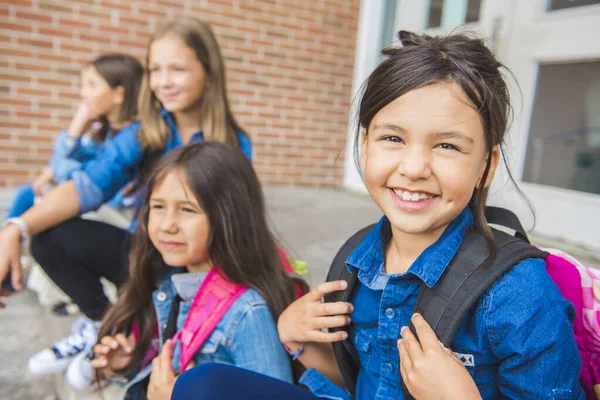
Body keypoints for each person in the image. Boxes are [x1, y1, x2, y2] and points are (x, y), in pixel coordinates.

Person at [171, 31, 584, 399]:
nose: (415, 167)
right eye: (393, 138)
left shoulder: (519, 295)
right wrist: (296, 340)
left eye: (447, 146)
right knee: (202, 384)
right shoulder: (357, 261)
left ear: (487, 166)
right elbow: (361, 381)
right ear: (365, 145)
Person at [0, 17, 252, 378]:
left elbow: (238, 226)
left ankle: (144, 328)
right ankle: (105, 325)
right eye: (154, 69)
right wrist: (15, 227)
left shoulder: (233, 143)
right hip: (145, 253)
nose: (163, 81)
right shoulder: (143, 133)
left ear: (209, 73)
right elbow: (87, 186)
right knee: (49, 237)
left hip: (198, 266)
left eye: (177, 69)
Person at [81, 142, 295, 399]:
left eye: (187, 209)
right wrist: (126, 366)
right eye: (158, 206)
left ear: (228, 216)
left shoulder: (248, 314)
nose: (167, 225)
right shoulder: (169, 284)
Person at [1, 54, 143, 292]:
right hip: (99, 207)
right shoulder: (104, 133)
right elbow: (59, 169)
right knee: (29, 194)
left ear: (118, 94)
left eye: (91, 85)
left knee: (40, 212)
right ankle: (7, 266)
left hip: (118, 213)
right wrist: (78, 127)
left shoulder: (134, 136)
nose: (83, 94)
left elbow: (78, 180)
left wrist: (76, 133)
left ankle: (8, 269)